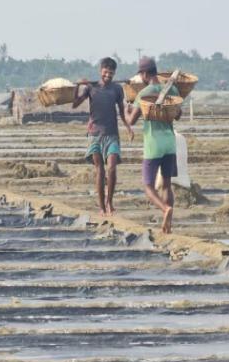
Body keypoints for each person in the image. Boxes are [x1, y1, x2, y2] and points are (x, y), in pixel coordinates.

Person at [125, 57, 181, 234]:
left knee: (148, 186)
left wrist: (125, 109)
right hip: (170, 143)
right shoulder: (171, 88)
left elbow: (131, 120)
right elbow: (178, 114)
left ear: (143, 74)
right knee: (166, 184)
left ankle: (165, 210)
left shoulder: (144, 94)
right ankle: (168, 227)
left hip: (153, 144)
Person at [72, 57, 133, 216]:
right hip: (94, 134)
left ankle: (109, 202)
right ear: (100, 71)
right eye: (105, 72)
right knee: (100, 170)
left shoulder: (117, 89)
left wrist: (128, 127)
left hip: (112, 134)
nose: (108, 76)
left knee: (112, 168)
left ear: (114, 73)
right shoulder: (91, 87)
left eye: (111, 73)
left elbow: (121, 111)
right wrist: (77, 86)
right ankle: (101, 206)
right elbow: (75, 104)